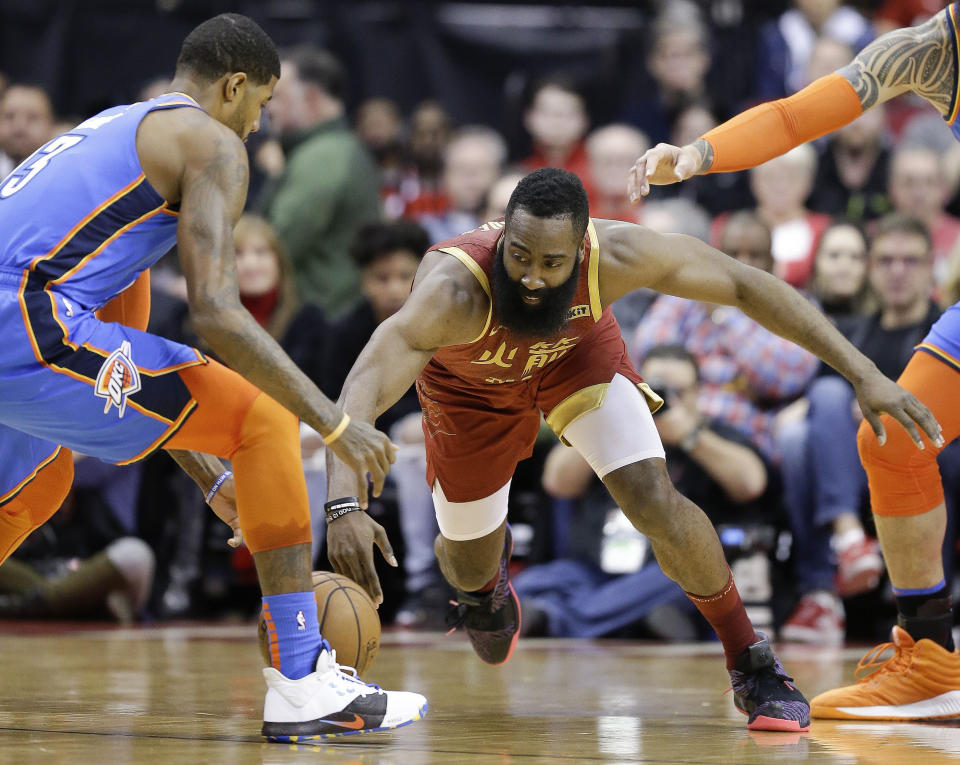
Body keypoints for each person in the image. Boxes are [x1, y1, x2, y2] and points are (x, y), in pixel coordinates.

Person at [323, 167, 939, 733]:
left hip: (574, 359)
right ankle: (485, 587)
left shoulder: (616, 254)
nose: (533, 278)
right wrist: (344, 507)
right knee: (466, 563)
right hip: (468, 394)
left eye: (552, 263)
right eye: (520, 257)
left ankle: (751, 661)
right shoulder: (454, 292)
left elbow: (746, 285)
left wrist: (863, 373)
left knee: (653, 498)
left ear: (583, 249)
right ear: (503, 239)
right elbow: (362, 387)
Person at [0, 13, 425, 740]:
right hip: (26, 322)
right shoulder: (212, 143)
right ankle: (301, 679)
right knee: (264, 420)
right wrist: (335, 422)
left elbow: (129, 367)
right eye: (260, 105)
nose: (258, 127)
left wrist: (213, 479)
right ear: (234, 86)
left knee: (40, 482)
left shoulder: (116, 133)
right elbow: (217, 314)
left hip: (26, 323)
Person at [631, 4, 960, 720]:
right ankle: (933, 659)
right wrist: (699, 154)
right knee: (893, 436)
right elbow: (793, 117)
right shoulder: (937, 47)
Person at [514, 344, 774, 640]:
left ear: (698, 394)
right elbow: (557, 482)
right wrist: (608, 421)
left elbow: (751, 483)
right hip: (592, 571)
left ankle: (564, 619)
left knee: (697, 582)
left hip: (665, 574)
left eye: (677, 391)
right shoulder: (612, 427)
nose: (663, 400)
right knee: (530, 584)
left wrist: (689, 436)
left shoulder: (711, 434)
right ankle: (626, 620)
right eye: (653, 389)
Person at [633, 212, 819, 462]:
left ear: (772, 263)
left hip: (746, 440)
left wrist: (723, 315)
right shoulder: (687, 294)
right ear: (716, 257)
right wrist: (739, 380)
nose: (742, 265)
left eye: (755, 255)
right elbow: (649, 352)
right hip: (676, 426)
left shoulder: (794, 306)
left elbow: (784, 377)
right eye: (732, 254)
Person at [258, 45, 381, 317]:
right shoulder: (338, 150)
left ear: (312, 98)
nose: (268, 108)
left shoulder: (322, 158)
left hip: (316, 321)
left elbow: (279, 244)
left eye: (276, 97)